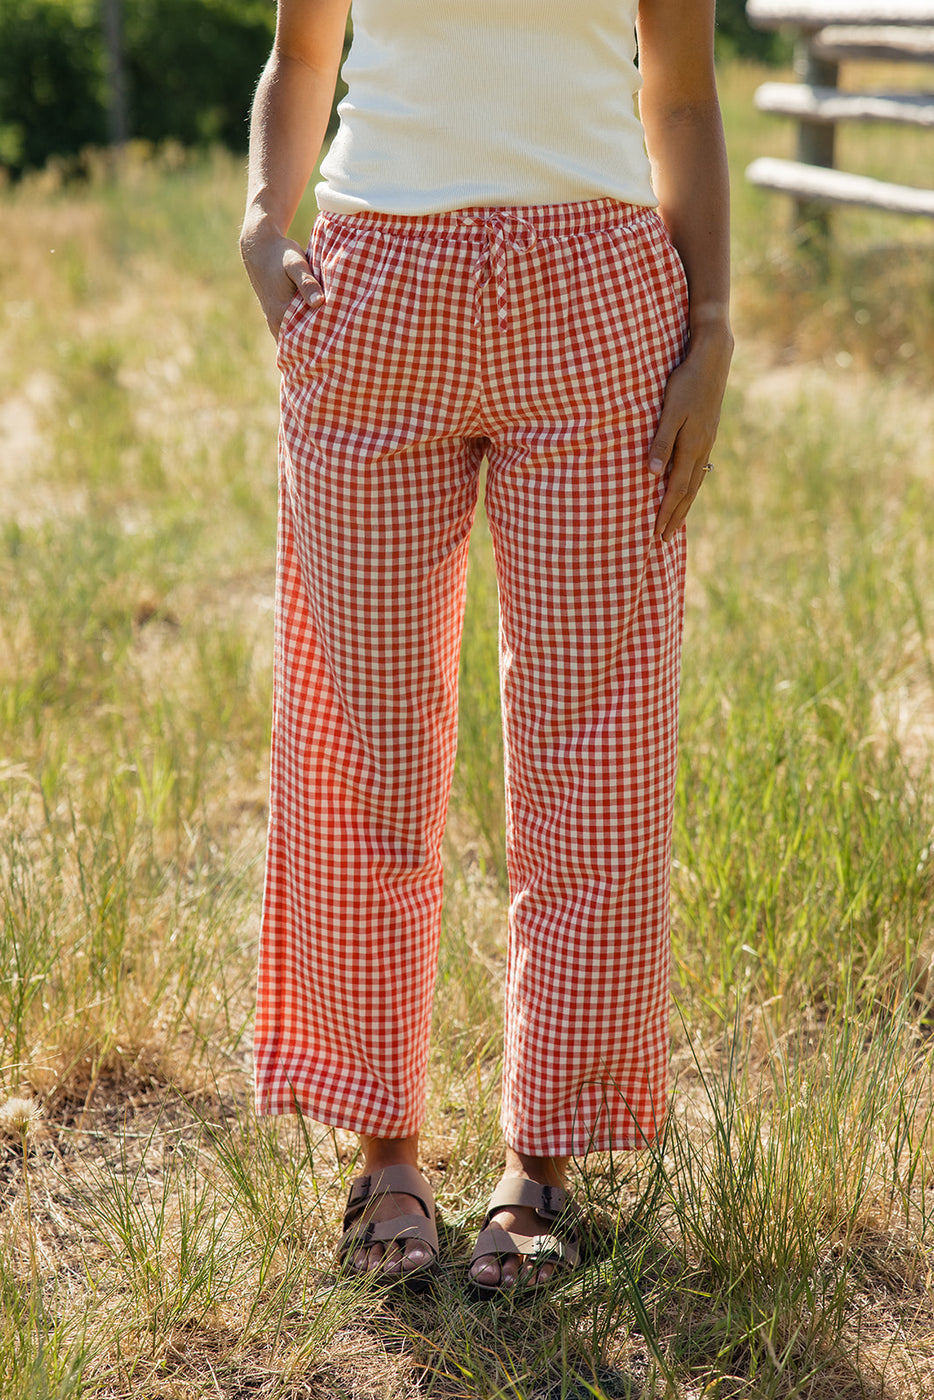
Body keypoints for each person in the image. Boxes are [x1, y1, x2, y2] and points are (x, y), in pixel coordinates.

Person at [240, 0, 732, 1296]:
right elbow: (303, 56)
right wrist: (258, 217)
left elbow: (678, 87)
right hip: (375, 287)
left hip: (599, 306)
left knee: (596, 747)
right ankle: (384, 1149)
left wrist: (714, 325)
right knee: (364, 738)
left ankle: (546, 1162)